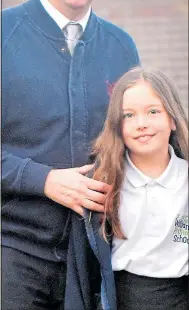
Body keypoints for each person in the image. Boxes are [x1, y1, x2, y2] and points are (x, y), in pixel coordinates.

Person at [2, 0, 140, 309]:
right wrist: (43, 180)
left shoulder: (121, 47)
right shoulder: (3, 36)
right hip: (13, 252)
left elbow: (134, 142)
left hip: (96, 258)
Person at [68, 66, 188, 310]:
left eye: (153, 111)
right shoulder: (103, 182)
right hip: (122, 298)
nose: (141, 124)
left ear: (172, 119)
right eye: (129, 115)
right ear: (116, 125)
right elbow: (82, 269)